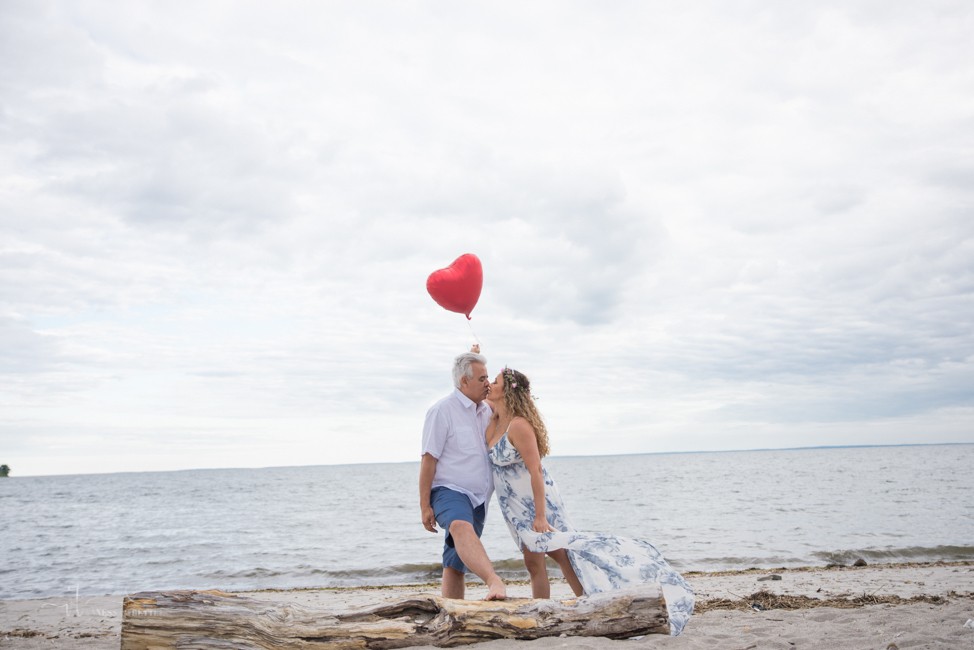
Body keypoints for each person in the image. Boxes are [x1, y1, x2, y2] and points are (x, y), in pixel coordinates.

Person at [483, 364, 695, 635]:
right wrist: (475, 356)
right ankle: (541, 616)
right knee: (532, 561)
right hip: (513, 505)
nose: (490, 383)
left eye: (496, 380)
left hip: (538, 502)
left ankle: (589, 603)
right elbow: (477, 392)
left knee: (564, 554)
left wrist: (540, 516)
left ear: (509, 391)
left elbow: (535, 470)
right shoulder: (494, 419)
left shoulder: (519, 425)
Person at [419, 349, 507, 601]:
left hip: (479, 499)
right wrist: (424, 505)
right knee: (458, 525)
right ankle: (494, 580)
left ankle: (453, 612)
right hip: (449, 490)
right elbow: (428, 459)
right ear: (463, 382)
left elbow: (506, 403)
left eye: (488, 378)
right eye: (482, 379)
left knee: (455, 564)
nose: (488, 384)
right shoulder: (441, 411)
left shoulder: (486, 410)